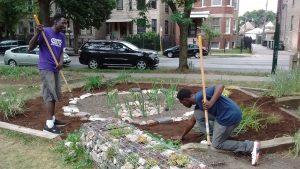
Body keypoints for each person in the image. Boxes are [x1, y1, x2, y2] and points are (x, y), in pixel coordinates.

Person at [176, 84, 260, 166]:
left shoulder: (200, 96)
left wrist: (211, 102)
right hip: (228, 113)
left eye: (182, 103)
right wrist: (182, 136)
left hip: (229, 117)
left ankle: (250, 146)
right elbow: (192, 121)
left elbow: (220, 86)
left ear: (185, 100)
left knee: (216, 145)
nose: (183, 105)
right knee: (198, 113)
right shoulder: (198, 104)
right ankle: (216, 135)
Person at [29, 13, 67, 134]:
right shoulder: (44, 32)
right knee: (49, 95)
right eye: (63, 22)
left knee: (54, 94)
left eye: (66, 23)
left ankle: (53, 119)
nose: (65, 25)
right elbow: (30, 46)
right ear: (55, 22)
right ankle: (49, 125)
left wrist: (61, 62)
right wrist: (38, 33)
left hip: (56, 68)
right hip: (46, 67)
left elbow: (61, 51)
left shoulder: (61, 36)